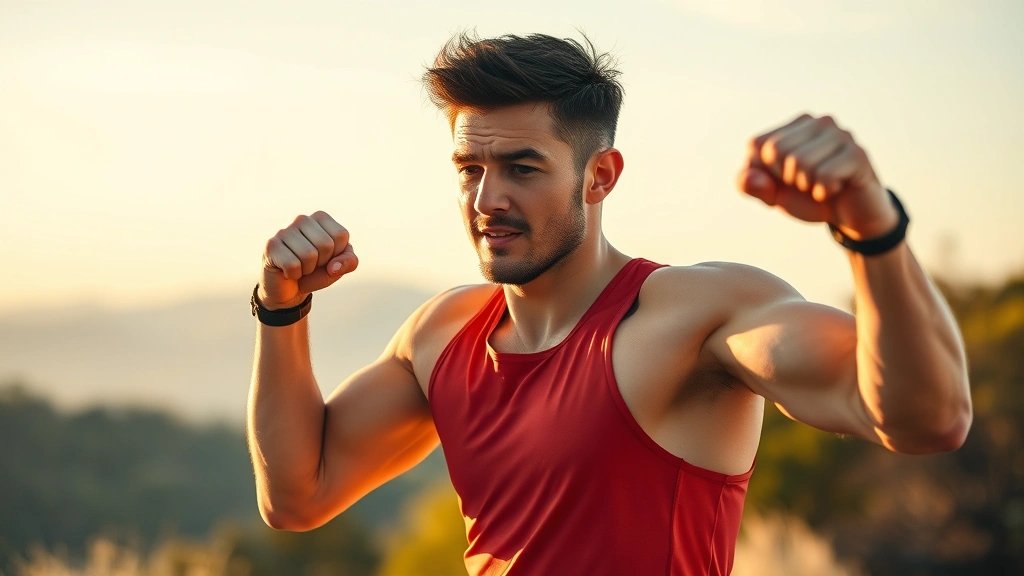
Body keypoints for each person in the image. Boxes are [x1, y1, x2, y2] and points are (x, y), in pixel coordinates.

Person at [246, 33, 972, 575]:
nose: (486, 199)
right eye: (470, 168)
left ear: (600, 176)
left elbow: (927, 418)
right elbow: (298, 497)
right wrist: (281, 310)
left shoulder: (696, 315)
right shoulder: (442, 333)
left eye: (521, 168)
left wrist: (871, 230)